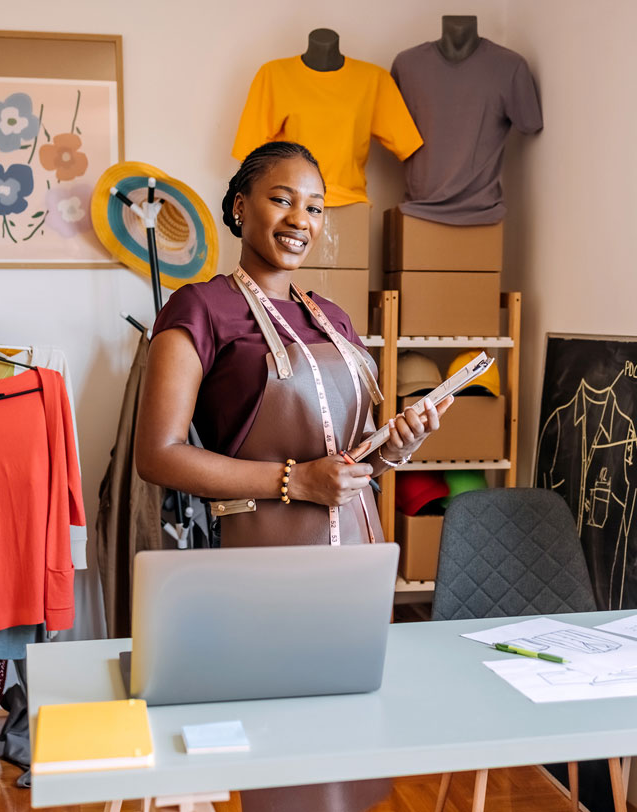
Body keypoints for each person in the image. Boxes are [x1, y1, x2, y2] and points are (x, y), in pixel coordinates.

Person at [134, 141, 453, 810]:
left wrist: (398, 442)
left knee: (356, 747)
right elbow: (157, 453)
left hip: (357, 561)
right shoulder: (198, 311)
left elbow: (352, 457)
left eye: (313, 207)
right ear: (240, 207)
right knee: (278, 757)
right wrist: (294, 481)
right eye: (281, 199)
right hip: (263, 564)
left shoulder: (332, 319)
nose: (298, 219)